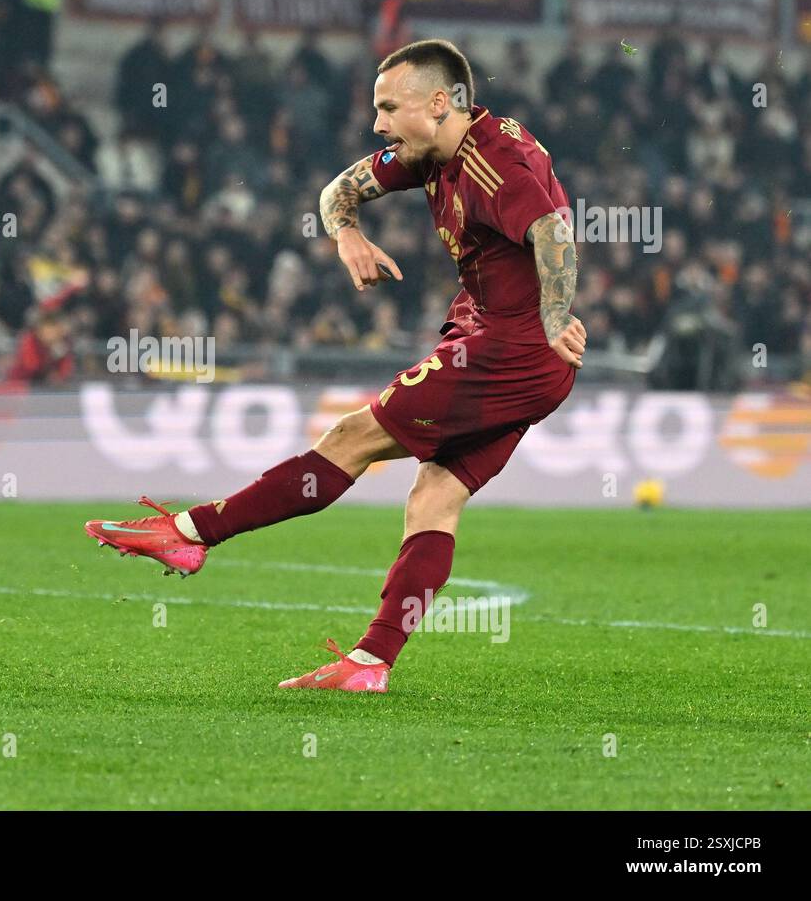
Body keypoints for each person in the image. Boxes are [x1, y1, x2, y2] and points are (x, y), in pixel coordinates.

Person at [84, 39, 585, 693]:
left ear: (439, 103)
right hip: (504, 343)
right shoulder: (433, 148)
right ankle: (369, 664)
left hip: (507, 348)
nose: (377, 124)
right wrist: (348, 232)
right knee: (435, 495)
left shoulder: (495, 163)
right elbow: (337, 190)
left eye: (387, 108)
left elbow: (554, 233)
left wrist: (554, 317)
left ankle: (189, 531)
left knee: (351, 438)